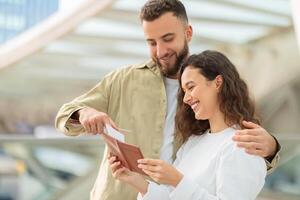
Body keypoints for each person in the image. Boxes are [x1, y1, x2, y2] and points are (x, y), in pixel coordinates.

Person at [55, 1, 280, 200]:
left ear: (188, 33)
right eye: (151, 42)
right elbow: (66, 114)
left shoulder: (204, 81)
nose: (160, 50)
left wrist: (271, 149)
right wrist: (85, 113)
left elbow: (236, 163)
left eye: (168, 39)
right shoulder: (123, 80)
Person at [109, 50, 267, 199]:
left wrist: (178, 180)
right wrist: (137, 181)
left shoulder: (241, 145)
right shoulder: (194, 142)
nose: (185, 99)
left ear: (217, 83)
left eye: (191, 87)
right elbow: (171, 196)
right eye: (184, 91)